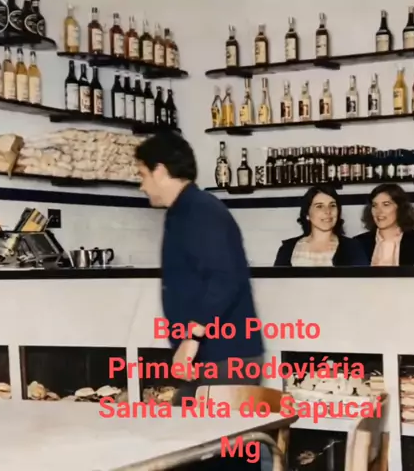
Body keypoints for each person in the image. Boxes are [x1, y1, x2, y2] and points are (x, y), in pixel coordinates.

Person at [134, 132, 265, 405]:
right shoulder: (183, 210)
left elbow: (224, 280)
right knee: (190, 422)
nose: (141, 186)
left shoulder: (200, 211)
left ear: (160, 171)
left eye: (143, 175)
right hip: (211, 356)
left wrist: (191, 339)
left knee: (198, 426)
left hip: (226, 356)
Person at [274, 185, 369, 267]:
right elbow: (276, 282)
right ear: (307, 214)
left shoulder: (353, 248)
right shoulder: (287, 248)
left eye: (332, 205)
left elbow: (361, 281)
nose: (327, 211)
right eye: (319, 206)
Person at [354, 184, 414, 266]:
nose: (379, 211)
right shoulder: (357, 244)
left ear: (400, 208)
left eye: (386, 204)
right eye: (374, 205)